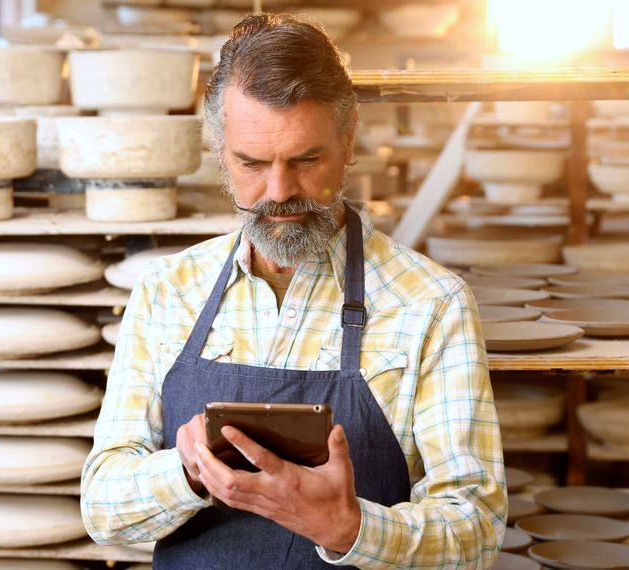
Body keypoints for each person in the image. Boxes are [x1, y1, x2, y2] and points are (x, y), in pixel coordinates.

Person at [81, 13, 506, 569]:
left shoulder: (430, 303)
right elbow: (102, 509)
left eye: (307, 160)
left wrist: (349, 526)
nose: (279, 192)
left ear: (348, 139)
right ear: (217, 149)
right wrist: (185, 470)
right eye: (251, 163)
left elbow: (476, 529)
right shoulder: (169, 291)